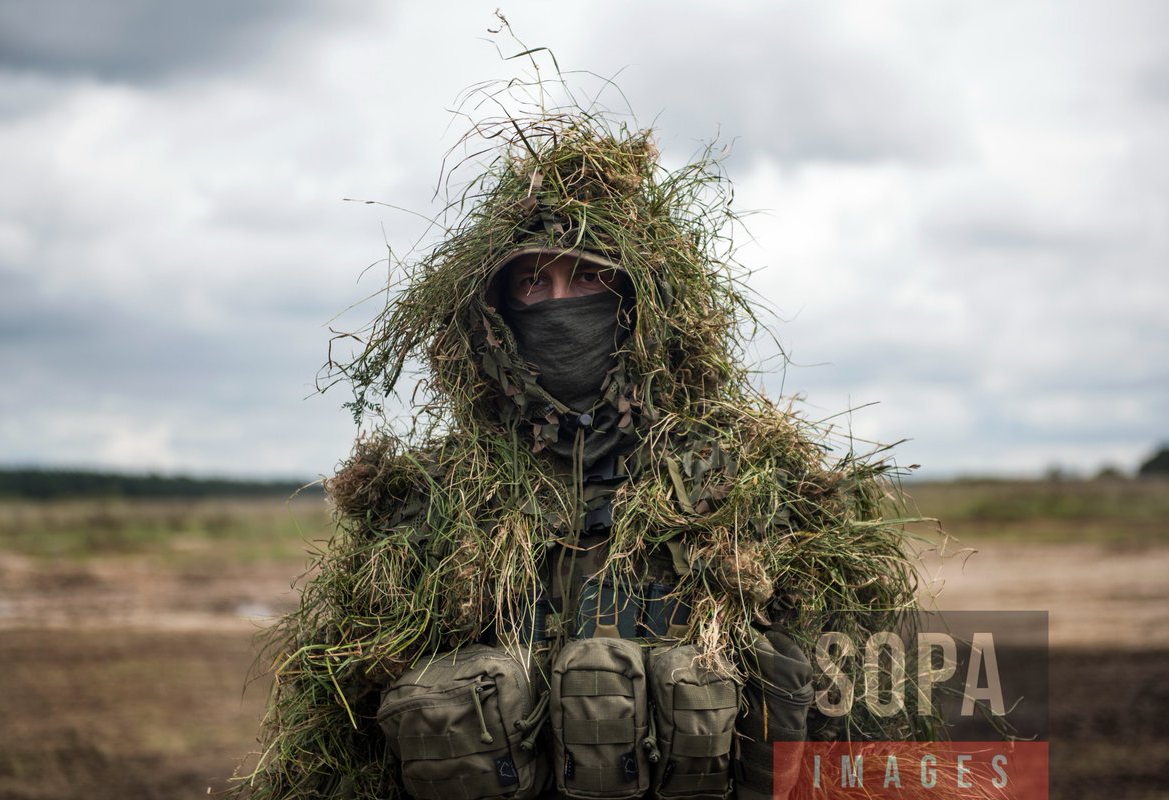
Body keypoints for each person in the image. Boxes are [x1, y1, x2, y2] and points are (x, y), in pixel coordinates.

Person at [234, 115, 924, 800]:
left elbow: (864, 745)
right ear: (494, 315)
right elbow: (344, 753)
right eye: (533, 283)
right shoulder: (427, 506)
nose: (560, 307)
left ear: (641, 304)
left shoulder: (754, 489)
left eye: (590, 278)